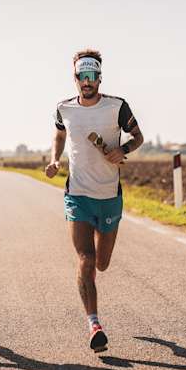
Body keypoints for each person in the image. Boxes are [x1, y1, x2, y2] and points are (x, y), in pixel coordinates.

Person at [45, 50, 143, 352]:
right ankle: (94, 324)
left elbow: (138, 136)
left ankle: (94, 315)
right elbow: (59, 136)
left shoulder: (117, 106)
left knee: (102, 263)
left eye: (92, 76)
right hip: (78, 195)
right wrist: (54, 160)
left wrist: (122, 150)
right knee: (86, 260)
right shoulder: (64, 109)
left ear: (99, 77)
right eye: (81, 76)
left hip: (109, 195)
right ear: (74, 78)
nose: (86, 82)